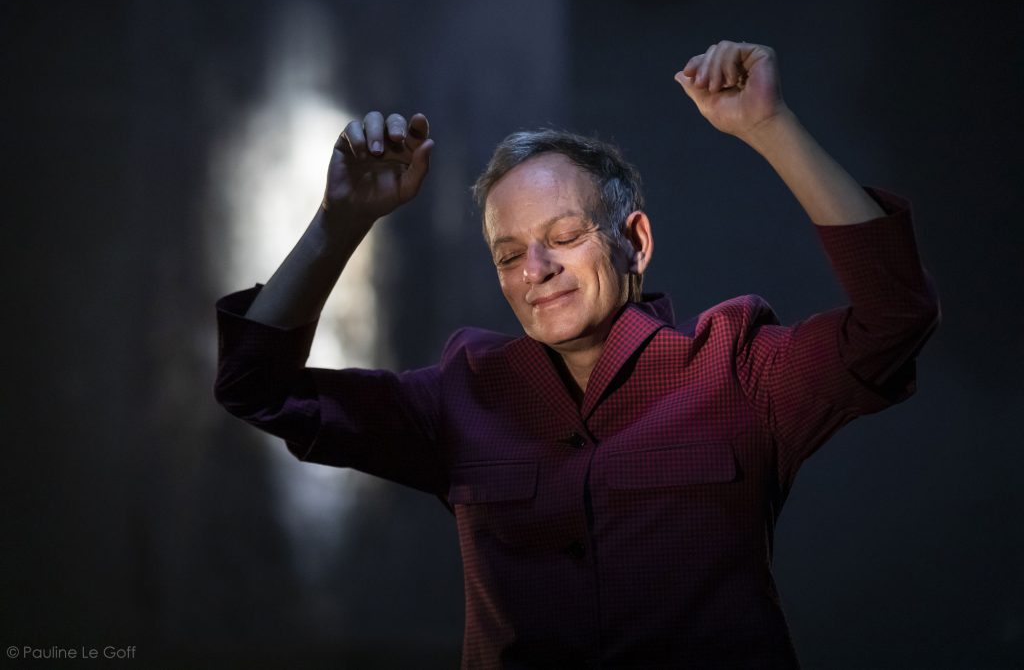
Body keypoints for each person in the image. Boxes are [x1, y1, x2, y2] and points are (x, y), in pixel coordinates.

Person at [214, 41, 940, 668]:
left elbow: (893, 319)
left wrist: (770, 126)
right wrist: (339, 224)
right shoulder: (464, 396)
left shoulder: (738, 369)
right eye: (509, 254)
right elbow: (258, 387)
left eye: (564, 237)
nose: (537, 269)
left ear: (637, 242)